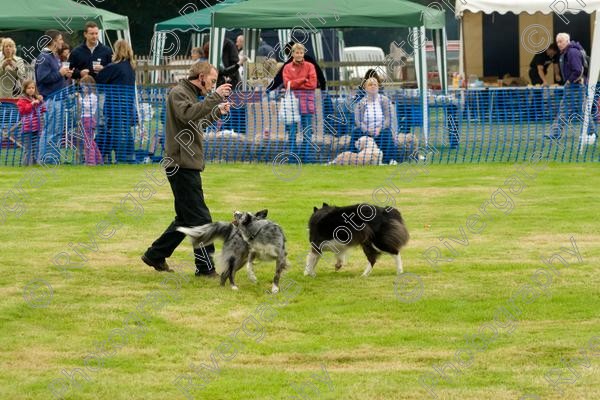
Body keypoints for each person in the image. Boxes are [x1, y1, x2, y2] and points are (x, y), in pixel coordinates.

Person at [142, 61, 232, 277]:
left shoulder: (189, 93)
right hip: (181, 165)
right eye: (211, 81)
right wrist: (215, 98)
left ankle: (155, 255)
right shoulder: (179, 93)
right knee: (201, 219)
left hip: (185, 163)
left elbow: (196, 123)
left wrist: (216, 112)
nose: (212, 86)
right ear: (201, 76)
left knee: (186, 219)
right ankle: (205, 268)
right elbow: (188, 115)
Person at [546, 33, 597, 140]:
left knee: (579, 111)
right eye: (557, 42)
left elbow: (578, 70)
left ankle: (591, 132)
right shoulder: (568, 52)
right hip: (575, 86)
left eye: (561, 41)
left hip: (575, 87)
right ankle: (556, 133)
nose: (559, 44)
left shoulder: (572, 52)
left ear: (567, 41)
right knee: (568, 110)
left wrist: (569, 81)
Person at [96, 39, 137, 164]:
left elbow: (100, 80)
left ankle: (120, 158)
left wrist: (101, 70)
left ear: (117, 50)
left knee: (117, 131)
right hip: (128, 103)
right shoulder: (131, 66)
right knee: (126, 131)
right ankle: (129, 157)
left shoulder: (114, 67)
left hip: (115, 104)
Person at [35, 30, 72, 165]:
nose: (62, 42)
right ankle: (44, 159)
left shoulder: (54, 56)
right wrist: (60, 73)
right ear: (53, 41)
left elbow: (55, 76)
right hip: (51, 99)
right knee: (50, 130)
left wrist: (64, 74)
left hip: (59, 98)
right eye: (60, 39)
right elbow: (42, 78)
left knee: (56, 131)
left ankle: (53, 159)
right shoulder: (44, 57)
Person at [282, 43, 318, 162]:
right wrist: (303, 80)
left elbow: (313, 84)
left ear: (303, 54)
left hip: (307, 104)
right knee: (292, 133)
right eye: (296, 52)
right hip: (291, 104)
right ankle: (292, 159)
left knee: (307, 133)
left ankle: (306, 158)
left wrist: (294, 84)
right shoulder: (287, 68)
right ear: (292, 53)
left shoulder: (310, 66)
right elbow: (287, 84)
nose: (299, 55)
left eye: (301, 53)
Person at [352, 77, 398, 164]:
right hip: (366, 131)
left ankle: (389, 160)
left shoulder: (385, 100)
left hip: (381, 130)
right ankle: (353, 158)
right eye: (370, 85)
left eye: (375, 84)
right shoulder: (361, 103)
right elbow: (358, 121)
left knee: (387, 133)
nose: (373, 86)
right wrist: (367, 130)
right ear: (365, 88)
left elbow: (388, 118)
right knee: (356, 132)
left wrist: (380, 128)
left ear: (378, 87)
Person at [17, 80, 45, 166]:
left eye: (33, 88)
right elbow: (23, 111)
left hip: (37, 127)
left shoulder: (35, 98)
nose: (31, 90)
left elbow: (43, 109)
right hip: (27, 128)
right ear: (25, 89)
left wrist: (41, 101)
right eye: (29, 88)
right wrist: (32, 104)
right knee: (27, 148)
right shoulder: (22, 100)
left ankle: (34, 163)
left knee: (35, 147)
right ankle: (25, 164)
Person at [77, 75, 103, 165]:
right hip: (84, 118)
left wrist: (79, 99)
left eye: (84, 86)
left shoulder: (93, 96)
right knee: (89, 140)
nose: (82, 88)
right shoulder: (87, 96)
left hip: (89, 119)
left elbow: (88, 106)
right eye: (81, 86)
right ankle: (99, 159)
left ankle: (91, 161)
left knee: (88, 141)